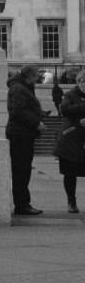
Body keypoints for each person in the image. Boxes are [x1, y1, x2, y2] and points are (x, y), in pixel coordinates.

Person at [6, 64, 44, 215]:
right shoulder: (18, 89)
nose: (37, 80)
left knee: (23, 170)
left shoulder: (22, 87)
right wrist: (36, 122)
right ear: (30, 76)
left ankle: (23, 203)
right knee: (21, 171)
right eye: (36, 76)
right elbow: (18, 111)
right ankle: (22, 205)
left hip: (23, 134)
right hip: (20, 134)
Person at [54, 70, 85, 213]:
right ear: (78, 83)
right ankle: (71, 201)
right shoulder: (70, 95)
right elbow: (64, 110)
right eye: (83, 82)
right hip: (71, 140)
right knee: (70, 173)